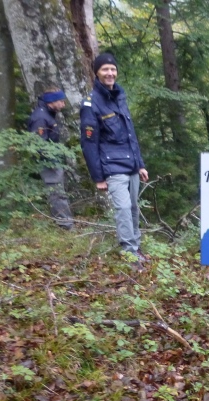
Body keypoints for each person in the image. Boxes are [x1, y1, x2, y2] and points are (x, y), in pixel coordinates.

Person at [80, 53, 149, 263]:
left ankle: (136, 247)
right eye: (105, 69)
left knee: (134, 207)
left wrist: (140, 164)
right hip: (112, 167)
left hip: (131, 165)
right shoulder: (91, 103)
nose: (110, 73)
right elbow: (89, 143)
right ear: (97, 73)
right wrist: (98, 177)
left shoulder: (120, 96)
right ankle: (129, 252)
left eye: (113, 69)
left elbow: (130, 134)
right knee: (123, 208)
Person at [27, 87, 74, 230]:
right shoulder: (40, 118)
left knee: (59, 192)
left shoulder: (48, 114)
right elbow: (39, 144)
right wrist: (51, 161)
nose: (63, 104)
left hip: (54, 159)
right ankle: (65, 226)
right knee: (56, 193)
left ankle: (64, 223)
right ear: (51, 102)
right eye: (61, 101)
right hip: (48, 162)